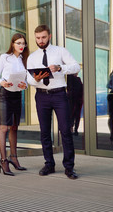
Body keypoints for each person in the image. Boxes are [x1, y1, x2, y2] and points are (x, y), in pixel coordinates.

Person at [27, 24, 80, 180]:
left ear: (49, 36)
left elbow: (76, 67)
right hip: (41, 95)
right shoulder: (32, 57)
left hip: (59, 95)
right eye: (38, 38)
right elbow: (29, 79)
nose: (40, 40)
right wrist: (35, 79)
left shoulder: (60, 51)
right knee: (44, 132)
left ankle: (69, 167)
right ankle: (49, 164)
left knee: (65, 131)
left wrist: (59, 68)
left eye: (43, 37)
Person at [0, 33, 29, 176]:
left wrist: (24, 85)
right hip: (5, 94)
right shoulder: (4, 57)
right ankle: (3, 161)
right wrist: (2, 82)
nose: (21, 46)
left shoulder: (25, 60)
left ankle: (14, 158)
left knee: (14, 127)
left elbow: (27, 79)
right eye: (18, 43)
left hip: (17, 94)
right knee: (4, 128)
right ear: (12, 44)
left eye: (23, 43)